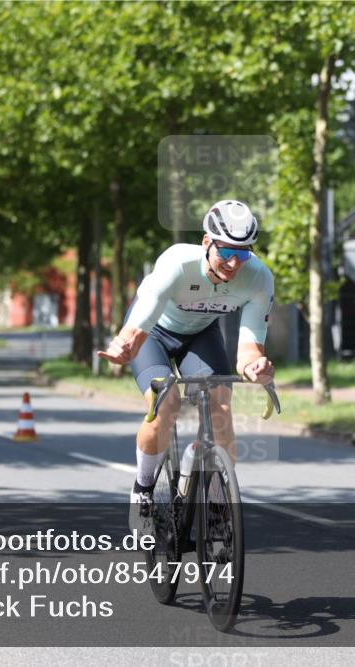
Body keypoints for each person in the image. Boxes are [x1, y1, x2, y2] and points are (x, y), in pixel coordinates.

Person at [97, 200, 276, 533]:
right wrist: (124, 345)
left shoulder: (258, 278)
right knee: (166, 404)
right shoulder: (177, 263)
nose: (234, 263)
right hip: (153, 332)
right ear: (207, 242)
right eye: (226, 252)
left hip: (200, 334)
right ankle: (143, 489)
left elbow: (249, 350)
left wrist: (256, 368)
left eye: (243, 254)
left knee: (221, 408)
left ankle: (217, 504)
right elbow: (139, 325)